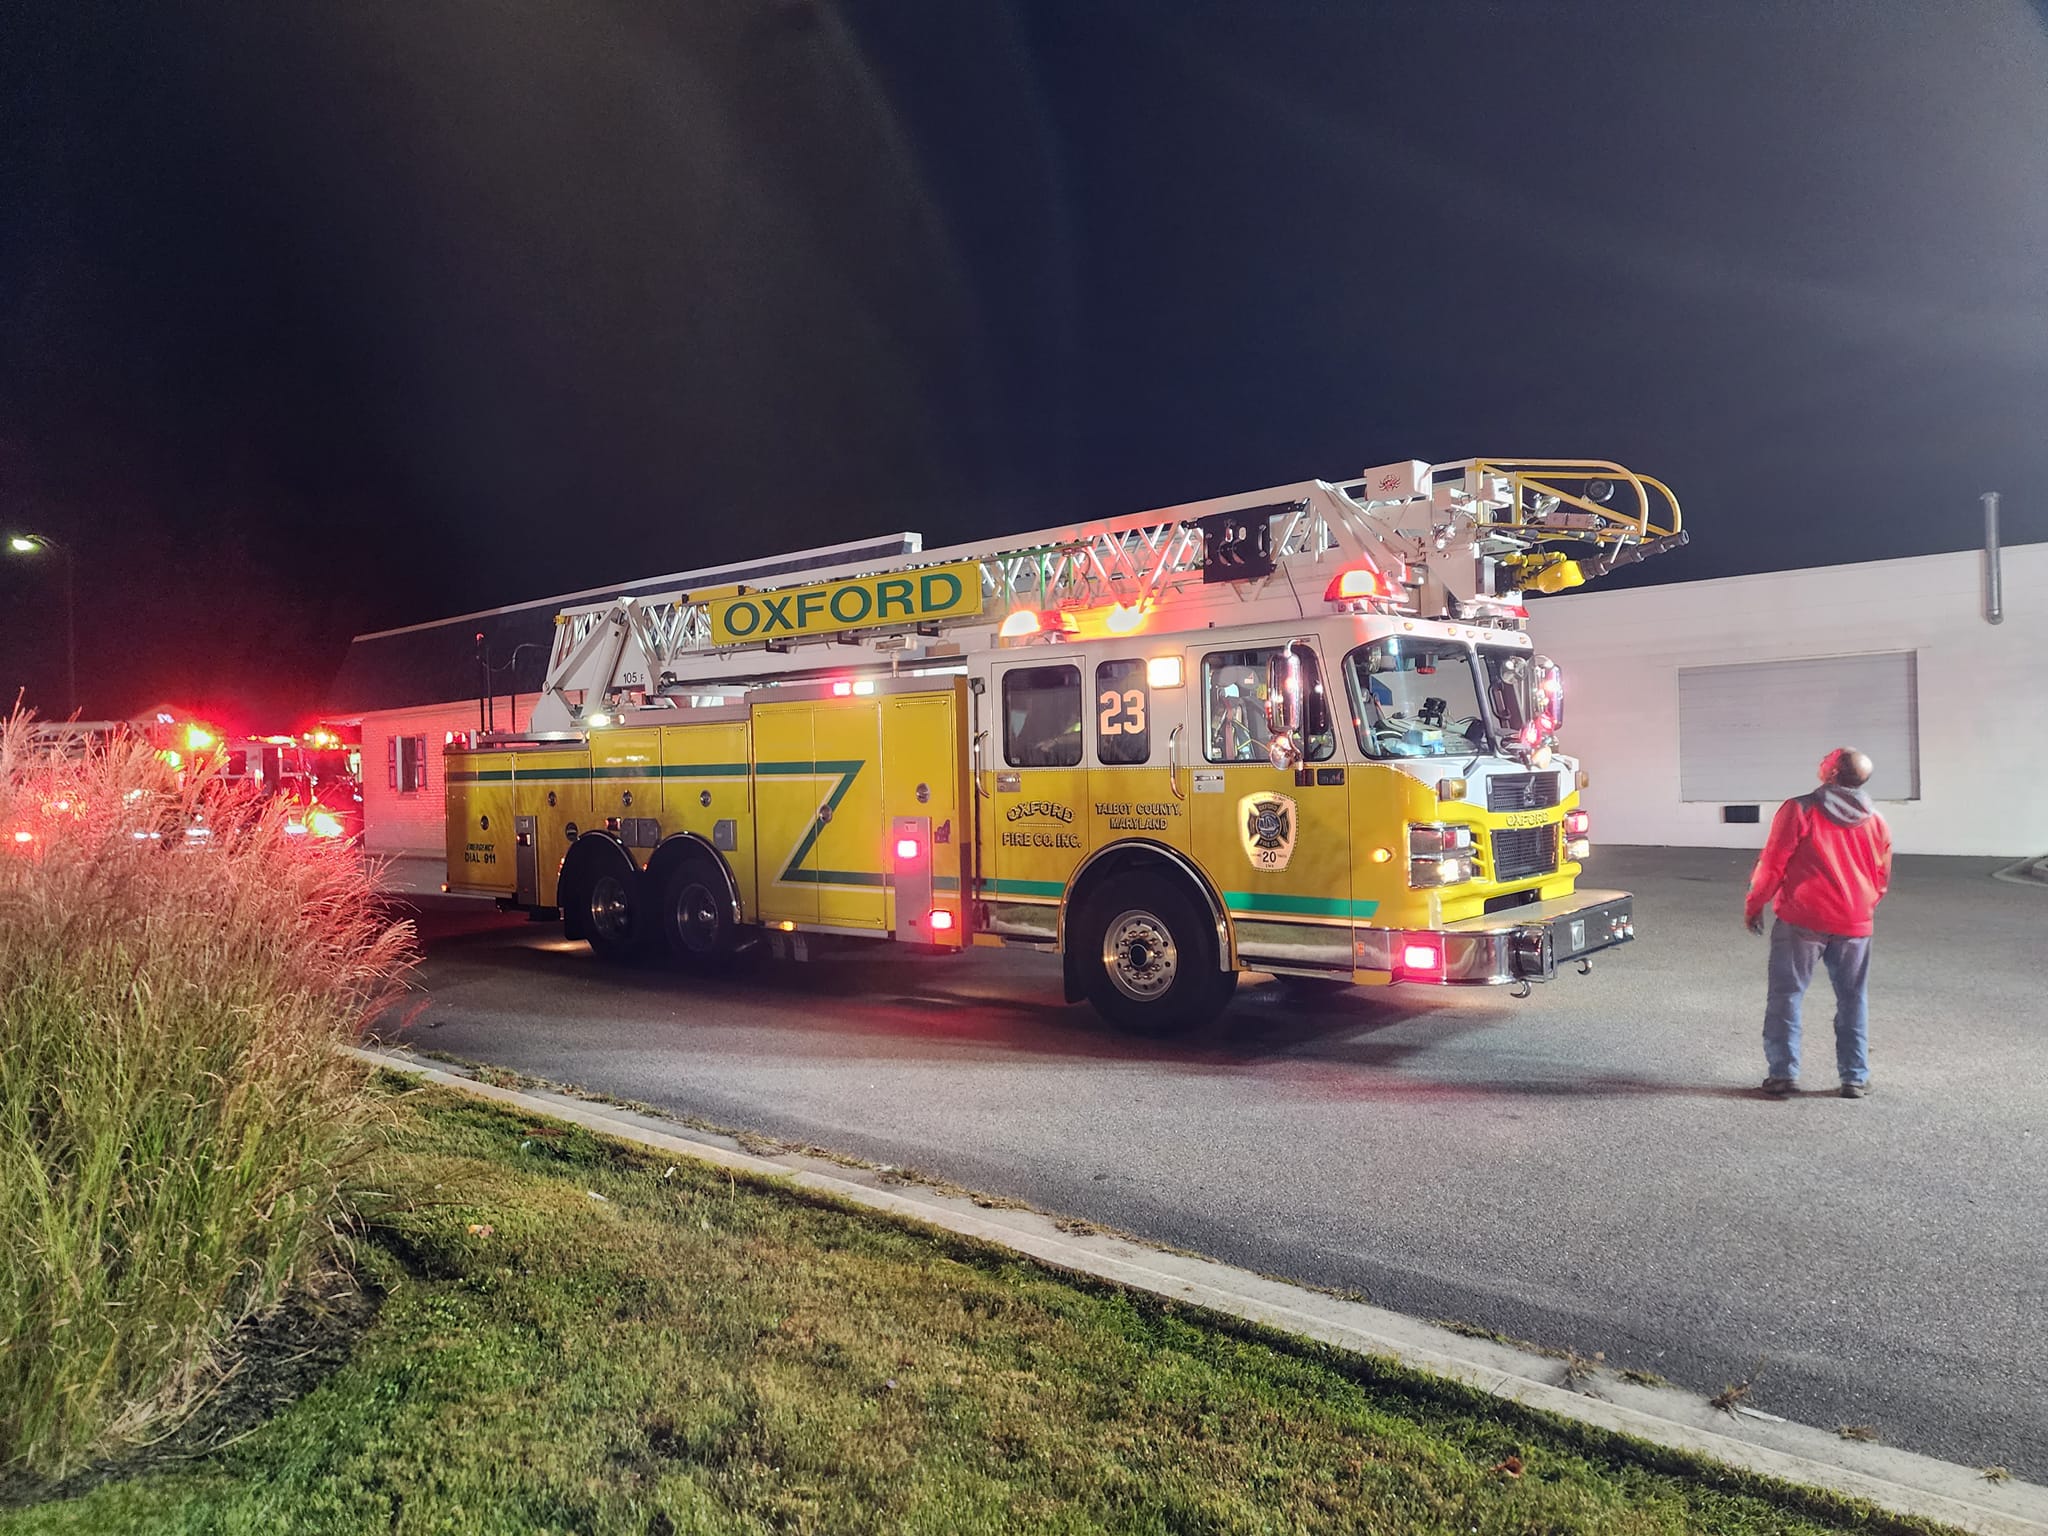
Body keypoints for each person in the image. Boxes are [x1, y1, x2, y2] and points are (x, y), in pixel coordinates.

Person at [1743, 747, 1893, 1100]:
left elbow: (1773, 863)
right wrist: (1861, 906)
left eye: (1829, 757)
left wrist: (1755, 903)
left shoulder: (1800, 810)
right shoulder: (1876, 820)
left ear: (1832, 773)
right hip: (1855, 923)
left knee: (1786, 995)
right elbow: (1881, 875)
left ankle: (1783, 1075)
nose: (1822, 759)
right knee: (1853, 998)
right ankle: (1854, 1078)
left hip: (1802, 919)